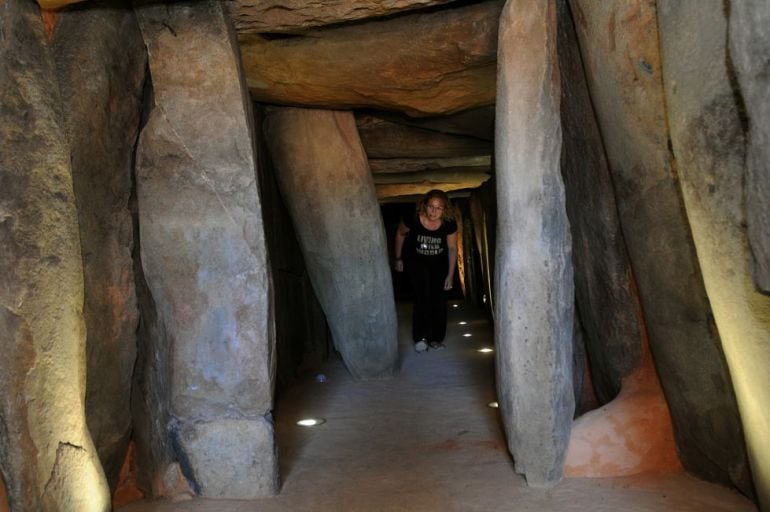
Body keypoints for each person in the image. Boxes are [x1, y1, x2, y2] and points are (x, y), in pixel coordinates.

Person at [394, 189, 458, 352]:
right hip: (417, 262)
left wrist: (450, 275)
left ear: (444, 209)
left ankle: (436, 338)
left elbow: (451, 248)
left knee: (439, 299)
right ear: (425, 206)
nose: (434, 211)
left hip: (440, 263)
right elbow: (400, 234)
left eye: (438, 208)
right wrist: (398, 258)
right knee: (422, 297)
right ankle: (420, 337)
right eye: (431, 206)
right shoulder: (413, 218)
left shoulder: (449, 222)